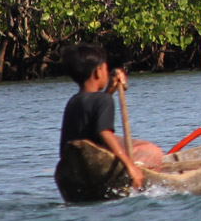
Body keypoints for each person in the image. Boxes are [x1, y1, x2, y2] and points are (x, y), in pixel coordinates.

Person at [59, 43, 164, 188]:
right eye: (106, 69)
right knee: (153, 152)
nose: (107, 73)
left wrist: (110, 89)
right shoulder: (103, 100)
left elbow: (94, 112)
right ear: (98, 71)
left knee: (137, 145)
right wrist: (130, 166)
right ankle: (140, 186)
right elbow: (104, 133)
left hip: (77, 170)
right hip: (96, 166)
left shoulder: (73, 101)